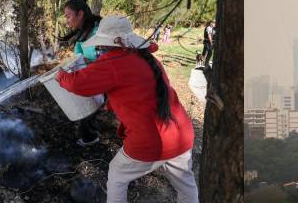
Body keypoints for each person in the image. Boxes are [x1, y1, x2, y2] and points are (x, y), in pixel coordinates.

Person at [56, 16, 198, 203]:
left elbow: (77, 83)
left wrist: (59, 74)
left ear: (112, 43)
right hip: (182, 134)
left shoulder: (114, 62)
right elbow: (140, 93)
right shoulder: (148, 59)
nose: (100, 49)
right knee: (186, 186)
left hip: (150, 141)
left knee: (117, 175)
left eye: (101, 45)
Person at [58, 0, 102, 146]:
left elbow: (108, 59)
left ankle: (91, 137)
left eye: (68, 16)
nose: (67, 20)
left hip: (106, 79)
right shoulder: (82, 34)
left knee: (89, 109)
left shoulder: (99, 30)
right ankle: (90, 135)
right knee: (86, 107)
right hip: (91, 77)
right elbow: (77, 56)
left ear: (80, 14)